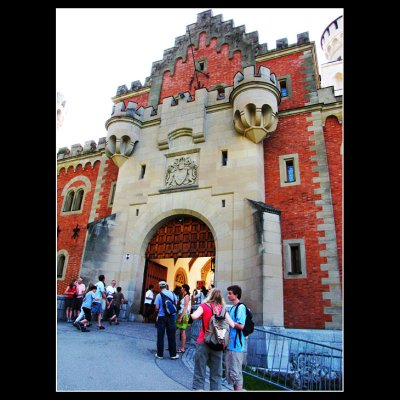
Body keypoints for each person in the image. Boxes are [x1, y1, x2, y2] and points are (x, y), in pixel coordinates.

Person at [190, 288, 235, 391]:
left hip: (203, 341)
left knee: (200, 369)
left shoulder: (204, 306)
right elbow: (232, 324)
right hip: (218, 343)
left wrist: (197, 315)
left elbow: (194, 316)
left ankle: (199, 389)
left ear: (210, 295)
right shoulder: (223, 310)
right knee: (216, 372)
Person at [225, 285, 246, 391]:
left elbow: (241, 326)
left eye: (230, 293)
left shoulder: (241, 307)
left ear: (236, 294)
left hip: (237, 345)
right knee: (232, 373)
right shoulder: (232, 308)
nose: (228, 295)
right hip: (230, 344)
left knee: (236, 374)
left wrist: (229, 321)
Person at [154, 280, 179, 360]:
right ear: (166, 286)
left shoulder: (158, 295)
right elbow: (175, 303)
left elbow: (157, 307)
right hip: (171, 317)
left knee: (160, 335)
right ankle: (173, 355)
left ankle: (160, 354)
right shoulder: (172, 294)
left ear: (159, 287)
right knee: (171, 335)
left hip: (162, 317)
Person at [176, 284, 191, 353]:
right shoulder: (184, 296)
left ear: (184, 288)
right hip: (182, 314)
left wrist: (180, 317)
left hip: (183, 315)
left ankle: (182, 348)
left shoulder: (187, 296)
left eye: (182, 288)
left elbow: (185, 307)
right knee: (180, 331)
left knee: (182, 331)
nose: (181, 289)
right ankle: (177, 346)